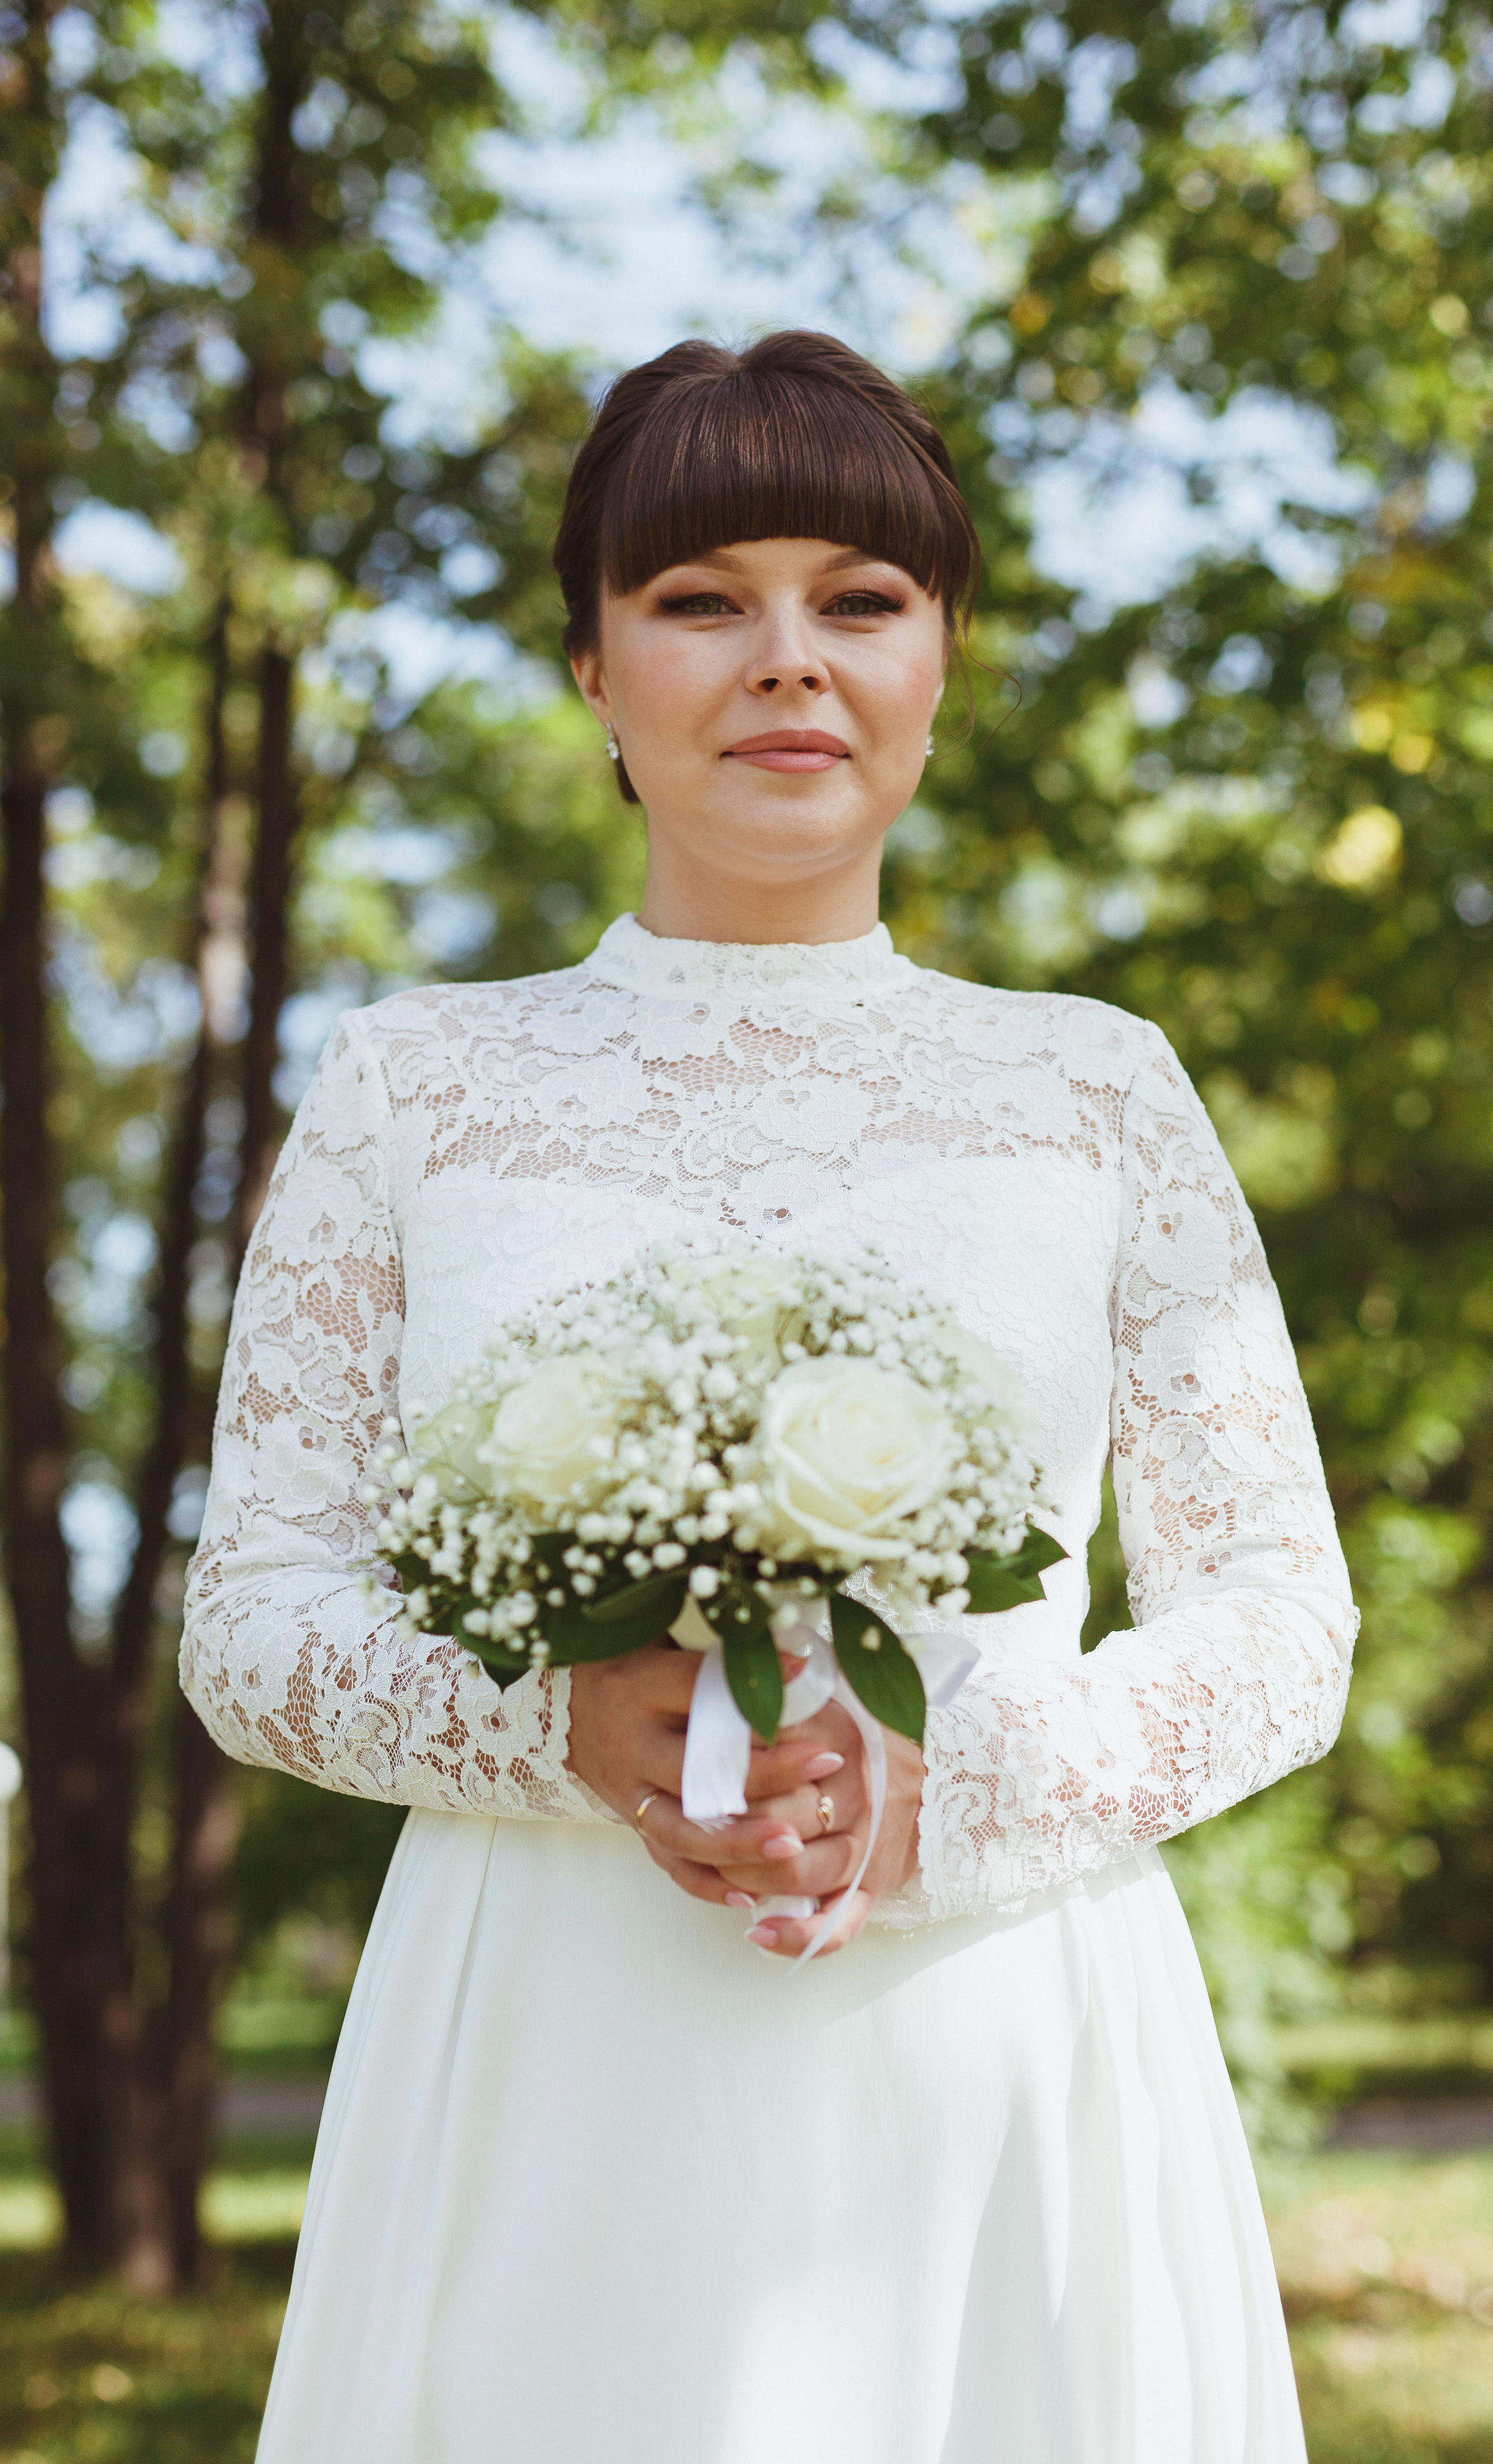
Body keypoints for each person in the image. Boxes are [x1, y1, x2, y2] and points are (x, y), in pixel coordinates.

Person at [182, 330, 1356, 2463]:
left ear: (940, 664)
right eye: (704, 599)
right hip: (546, 2028)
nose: (789, 662)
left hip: (998, 2020)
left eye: (863, 600)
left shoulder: (1094, 1087)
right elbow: (250, 1618)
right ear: (593, 673)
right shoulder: (415, 1085)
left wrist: (962, 1787)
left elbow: (1283, 1618)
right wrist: (561, 1724)